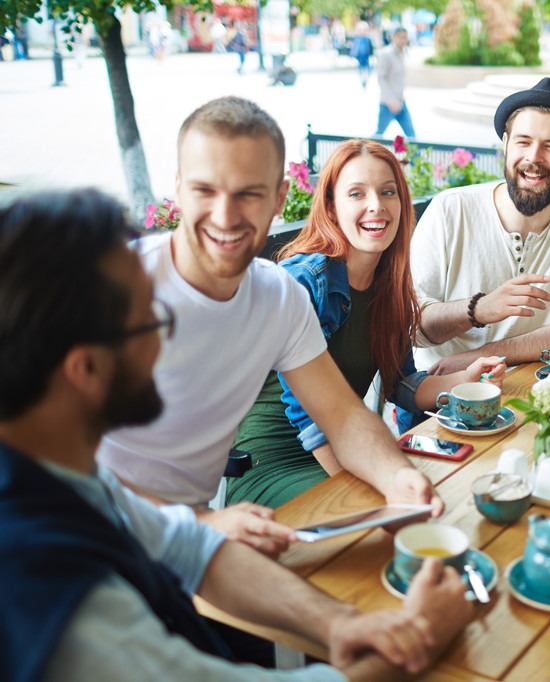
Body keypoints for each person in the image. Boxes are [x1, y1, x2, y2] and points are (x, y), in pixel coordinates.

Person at [0, 189, 474, 682]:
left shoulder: (64, 475)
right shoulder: (46, 591)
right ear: (85, 369)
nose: (165, 340)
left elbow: (193, 549)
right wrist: (418, 633)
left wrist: (340, 624)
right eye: (150, 322)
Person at [96, 97, 441, 556]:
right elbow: (56, 471)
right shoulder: (110, 293)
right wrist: (202, 526)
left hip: (180, 549)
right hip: (101, 548)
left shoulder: (276, 295)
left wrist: (398, 479)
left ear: (279, 199)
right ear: (178, 191)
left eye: (249, 193)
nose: (225, 215)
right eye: (205, 190)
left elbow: (342, 416)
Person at [226, 139, 506, 508]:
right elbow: (309, 416)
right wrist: (360, 489)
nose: (376, 205)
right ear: (331, 207)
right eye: (356, 193)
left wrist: (462, 381)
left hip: (347, 448)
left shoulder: (390, 289)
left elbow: (402, 385)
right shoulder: (305, 282)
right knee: (393, 521)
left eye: (387, 191)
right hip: (272, 463)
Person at [410, 77, 550, 374]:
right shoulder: (450, 209)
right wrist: (478, 309)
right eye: (523, 141)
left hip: (533, 395)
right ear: (506, 145)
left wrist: (478, 358)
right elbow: (412, 326)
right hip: (440, 394)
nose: (533, 158)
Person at [374, 27, 415, 139]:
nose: (404, 40)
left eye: (405, 38)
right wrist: (391, 99)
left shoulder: (402, 53)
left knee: (412, 136)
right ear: (394, 37)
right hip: (388, 104)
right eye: (401, 37)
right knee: (378, 136)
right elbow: (381, 78)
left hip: (401, 102)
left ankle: (416, 157)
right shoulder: (385, 54)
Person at [351, 21, 373, 88]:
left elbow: (370, 47)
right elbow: (354, 47)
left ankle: (365, 79)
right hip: (359, 56)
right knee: (360, 69)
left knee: (368, 68)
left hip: (366, 56)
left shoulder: (367, 39)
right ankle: (362, 80)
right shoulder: (357, 39)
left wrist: (371, 54)